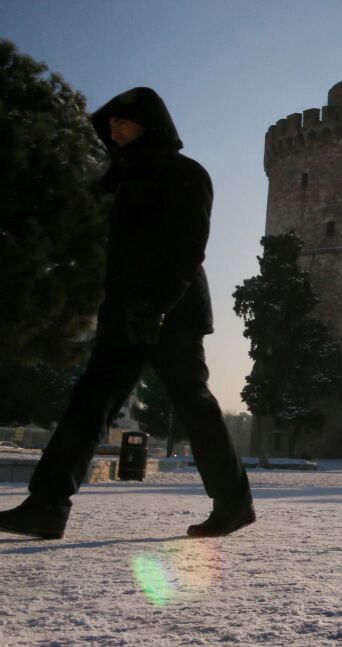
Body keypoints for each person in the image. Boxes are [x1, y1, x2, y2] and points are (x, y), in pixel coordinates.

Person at [0, 88, 253, 540]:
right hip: (123, 310)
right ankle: (46, 506)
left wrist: (157, 308)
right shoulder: (118, 178)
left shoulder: (185, 173)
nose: (113, 129)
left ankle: (233, 504)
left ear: (149, 122)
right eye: (110, 123)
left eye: (122, 121)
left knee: (194, 406)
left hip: (170, 312)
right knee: (88, 404)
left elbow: (188, 246)